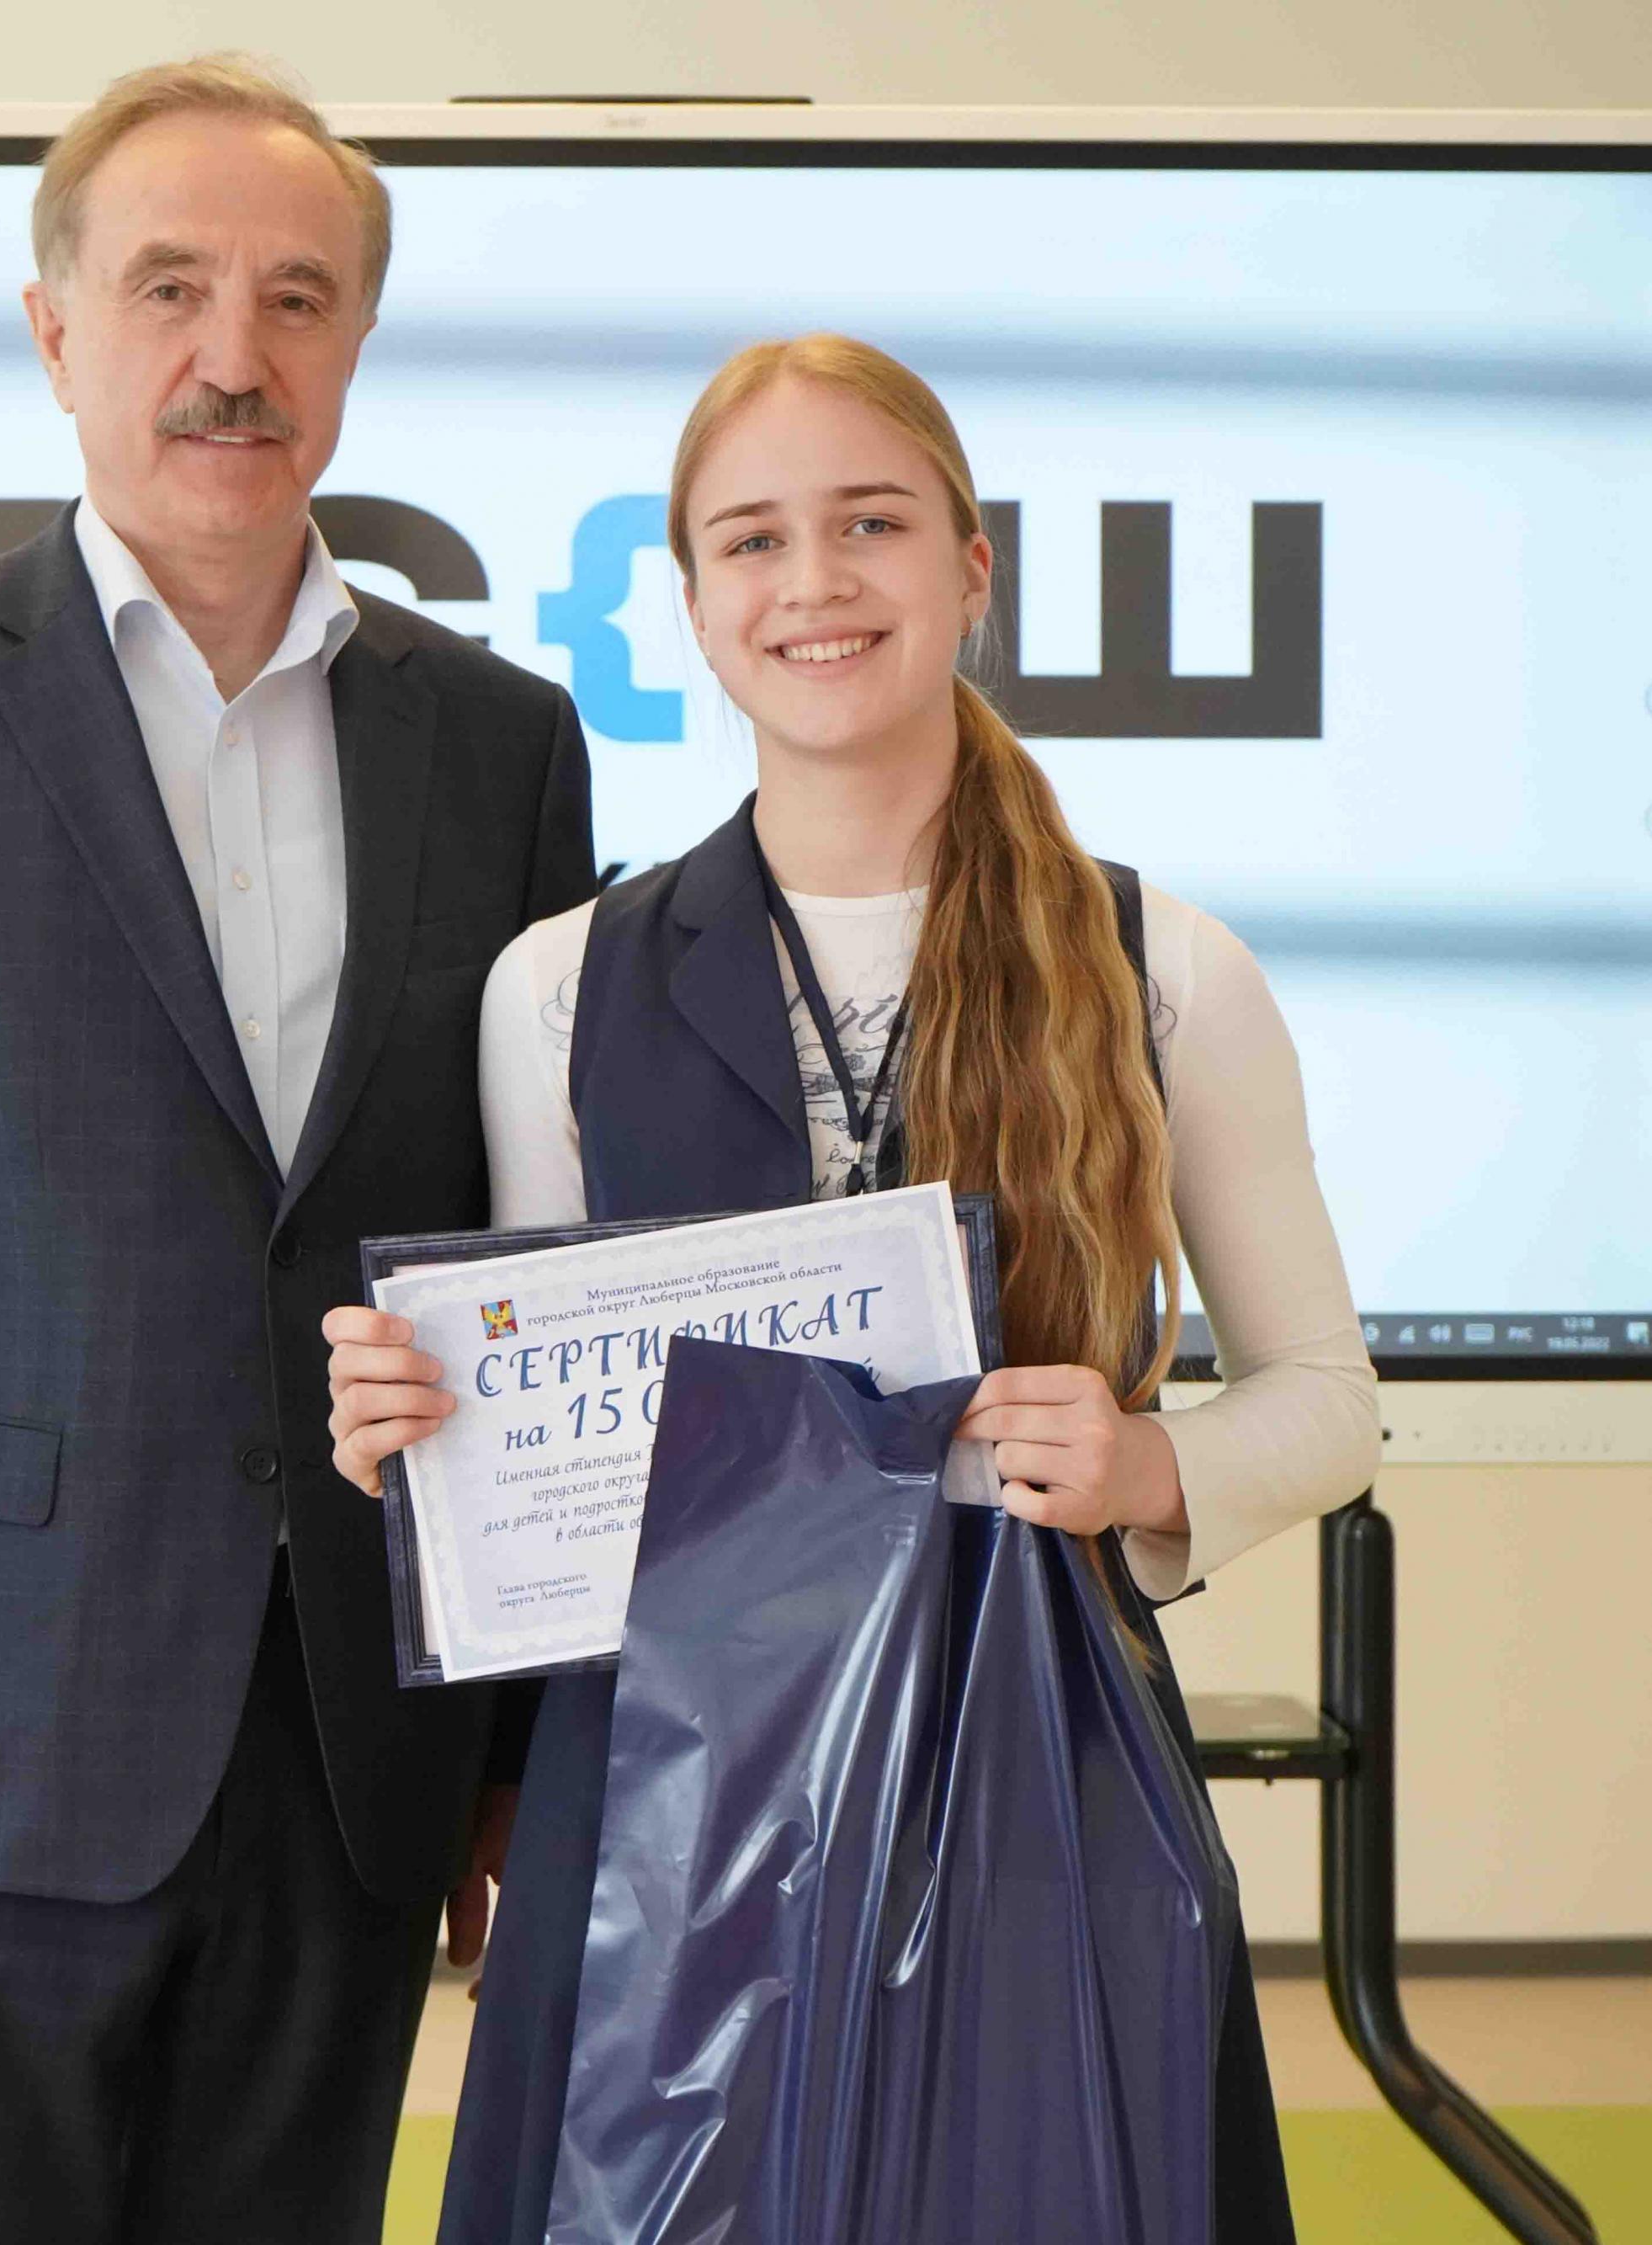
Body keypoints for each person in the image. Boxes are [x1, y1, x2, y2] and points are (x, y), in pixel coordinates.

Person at [0, 56, 594, 2245]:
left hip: (349, 1763)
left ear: (355, 341)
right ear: (54, 331)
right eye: (168, 288)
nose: (232, 355)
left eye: (294, 297)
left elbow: (515, 1272)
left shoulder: (504, 743)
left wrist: (512, 1744)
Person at [324, 333, 1383, 2242]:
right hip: (659, 1788)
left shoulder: (1162, 965)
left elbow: (1328, 1401)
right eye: (752, 539)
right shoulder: (556, 983)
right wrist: (422, 1435)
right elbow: (543, 1433)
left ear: (971, 569)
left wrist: (1148, 1466)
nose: (812, 580)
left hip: (1028, 1752)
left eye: (870, 524)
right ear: (693, 605)